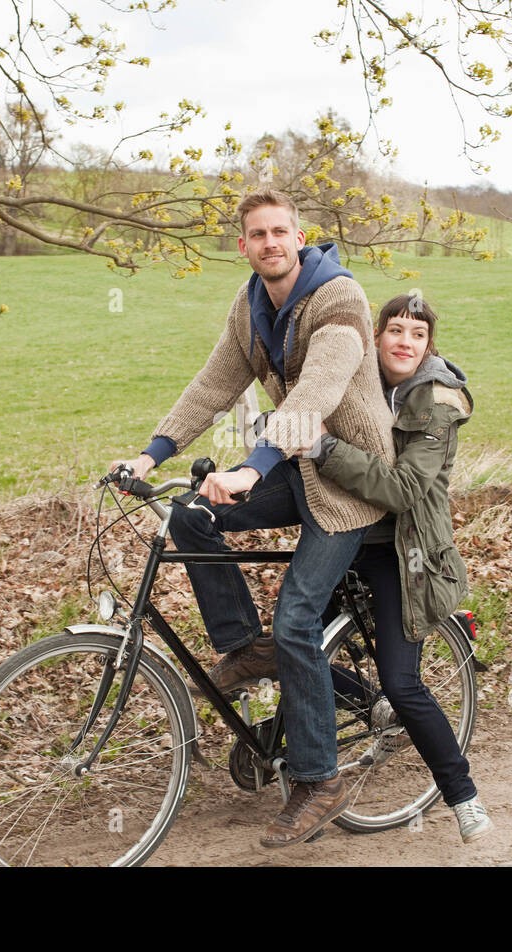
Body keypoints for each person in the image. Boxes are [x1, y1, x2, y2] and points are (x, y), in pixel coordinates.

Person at [111, 188, 395, 849]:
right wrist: (152, 455)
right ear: (243, 246)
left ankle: (319, 779)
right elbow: (212, 386)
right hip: (294, 469)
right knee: (192, 514)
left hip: (350, 480)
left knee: (298, 615)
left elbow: (315, 393)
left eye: (280, 232)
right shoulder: (250, 307)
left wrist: (250, 467)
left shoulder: (338, 300)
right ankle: (246, 648)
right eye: (257, 234)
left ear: (299, 237)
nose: (269, 242)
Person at [301, 292, 494, 844]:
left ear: (429, 345)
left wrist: (325, 449)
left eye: (417, 333)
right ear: (376, 336)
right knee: (291, 645)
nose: (405, 341)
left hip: (402, 552)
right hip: (342, 533)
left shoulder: (435, 402)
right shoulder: (359, 385)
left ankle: (462, 796)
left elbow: (406, 489)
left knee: (402, 683)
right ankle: (309, 760)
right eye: (395, 330)